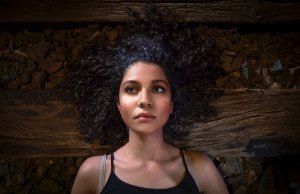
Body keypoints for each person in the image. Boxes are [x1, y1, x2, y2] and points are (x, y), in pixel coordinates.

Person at [70, 4, 228, 194]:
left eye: (158, 88)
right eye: (131, 89)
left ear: (171, 104)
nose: (144, 100)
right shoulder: (94, 173)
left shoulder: (201, 169)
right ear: (118, 104)